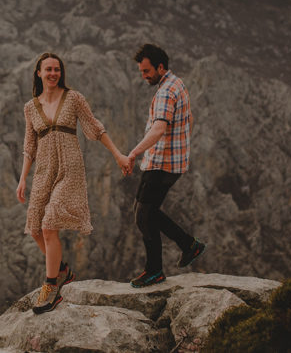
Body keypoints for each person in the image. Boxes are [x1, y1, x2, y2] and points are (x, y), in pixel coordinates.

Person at [16, 51, 129, 314]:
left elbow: (95, 128)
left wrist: (118, 155)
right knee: (34, 227)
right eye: (48, 69)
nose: (53, 73)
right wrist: (22, 179)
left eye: (57, 69)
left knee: (48, 224)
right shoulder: (30, 107)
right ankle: (63, 271)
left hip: (70, 168)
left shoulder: (74, 98)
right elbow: (29, 147)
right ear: (39, 73)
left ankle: (50, 287)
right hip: (44, 170)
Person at [120, 43, 205, 287]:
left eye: (146, 71)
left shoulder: (166, 92)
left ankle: (155, 270)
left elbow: (158, 129)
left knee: (143, 215)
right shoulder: (177, 83)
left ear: (160, 67)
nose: (143, 76)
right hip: (173, 162)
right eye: (141, 72)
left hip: (162, 162)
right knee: (146, 212)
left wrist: (133, 153)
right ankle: (189, 245)